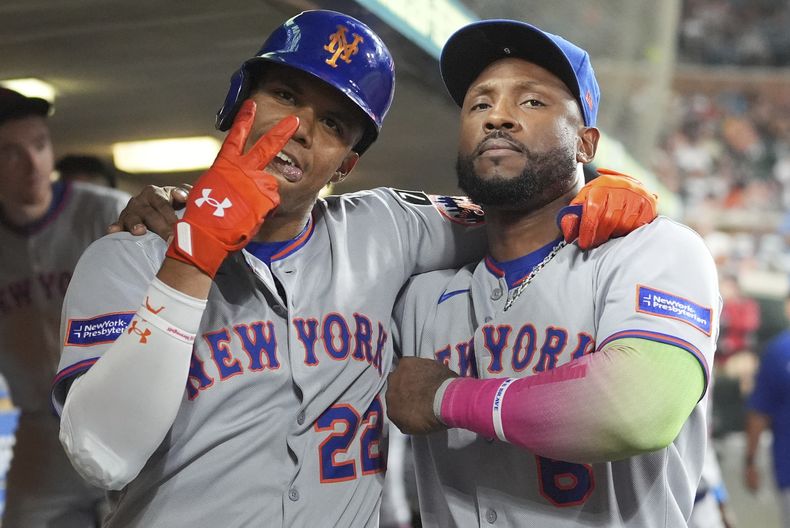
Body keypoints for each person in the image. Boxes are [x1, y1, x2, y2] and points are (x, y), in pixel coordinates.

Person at [53, 10, 657, 527]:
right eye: (286, 96)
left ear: (345, 164)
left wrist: (597, 188)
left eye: (334, 124)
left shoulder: (387, 228)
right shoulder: (129, 255)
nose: (299, 131)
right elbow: (103, 455)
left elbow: (515, 209)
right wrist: (192, 256)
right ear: (239, 101)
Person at [386, 19, 720, 527]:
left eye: (532, 102)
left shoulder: (654, 251)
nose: (498, 117)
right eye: (479, 104)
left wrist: (445, 396)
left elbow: (638, 408)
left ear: (586, 144)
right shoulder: (423, 290)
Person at [0, 87, 130, 526]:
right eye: (12, 153)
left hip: (125, 416)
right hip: (43, 429)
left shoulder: (107, 213)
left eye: (40, 145)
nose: (35, 164)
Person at [744, 294, 790, 528]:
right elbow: (759, 412)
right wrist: (751, 462)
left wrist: (750, 462)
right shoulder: (778, 352)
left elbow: (759, 413)